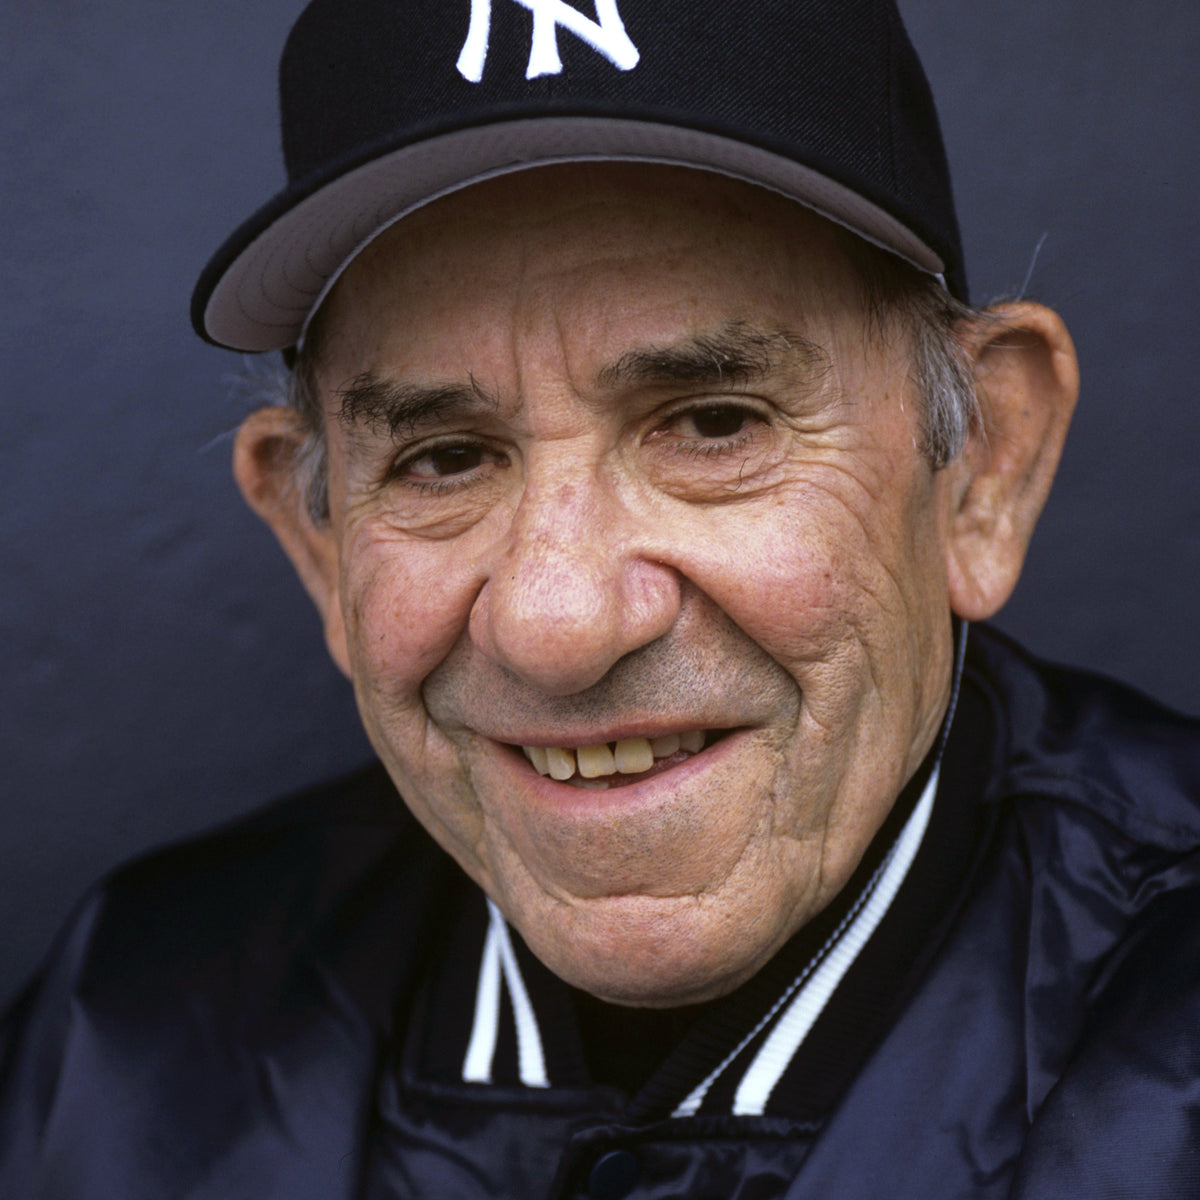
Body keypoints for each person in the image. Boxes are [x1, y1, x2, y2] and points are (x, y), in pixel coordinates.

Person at [3, 1, 1199, 1196]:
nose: (558, 624)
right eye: (445, 459)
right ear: (320, 545)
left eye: (715, 424)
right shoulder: (130, 1046)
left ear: (983, 469)